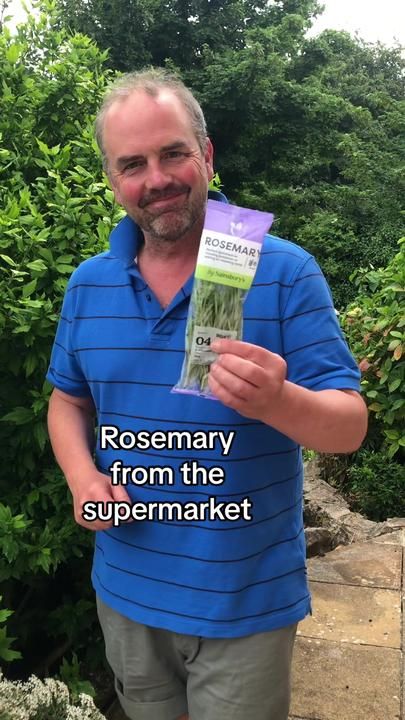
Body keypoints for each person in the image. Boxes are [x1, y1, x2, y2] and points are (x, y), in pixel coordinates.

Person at [46, 68, 367, 720]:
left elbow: (349, 426)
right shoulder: (88, 285)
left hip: (243, 603)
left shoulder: (278, 270)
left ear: (206, 154)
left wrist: (278, 402)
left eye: (172, 153)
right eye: (132, 163)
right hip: (126, 592)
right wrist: (82, 477)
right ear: (113, 179)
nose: (156, 178)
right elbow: (68, 400)